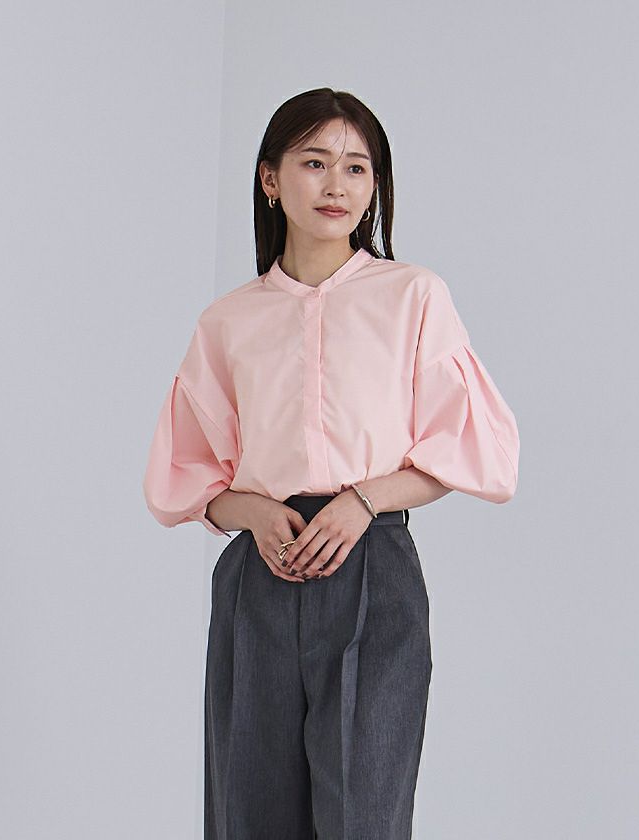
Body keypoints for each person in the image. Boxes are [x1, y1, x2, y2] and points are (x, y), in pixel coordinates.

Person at [142, 87, 520, 840]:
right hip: (261, 573)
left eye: (357, 167)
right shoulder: (229, 320)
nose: (337, 185)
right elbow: (185, 476)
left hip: (372, 564)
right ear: (270, 178)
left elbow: (472, 447)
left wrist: (363, 501)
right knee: (248, 810)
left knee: (365, 813)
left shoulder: (412, 296)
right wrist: (252, 511)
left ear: (375, 185)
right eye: (314, 163)